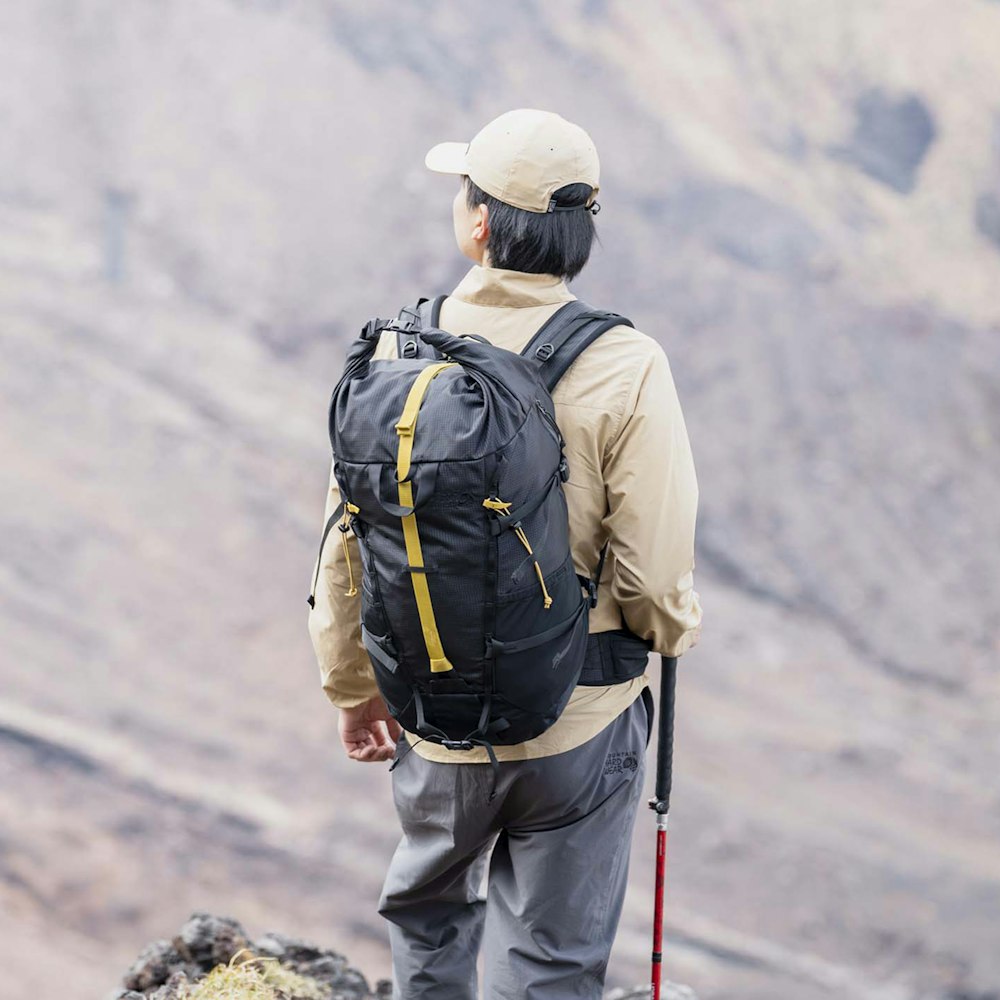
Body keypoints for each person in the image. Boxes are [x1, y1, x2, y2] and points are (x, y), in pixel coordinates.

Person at [308, 108, 702, 1000]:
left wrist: (352, 687)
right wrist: (666, 633)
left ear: (480, 222)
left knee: (430, 922)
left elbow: (347, 546)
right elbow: (653, 569)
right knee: (551, 961)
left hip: (433, 709)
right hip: (581, 713)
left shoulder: (397, 357)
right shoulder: (627, 363)